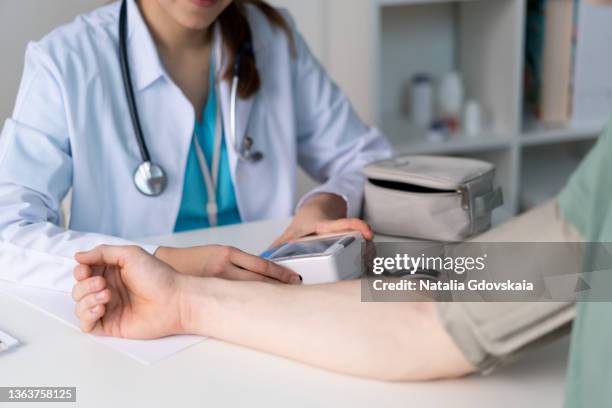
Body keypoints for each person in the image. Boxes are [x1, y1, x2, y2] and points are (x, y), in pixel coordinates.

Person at [0, 0, 391, 291]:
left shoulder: (272, 36)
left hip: (272, 293)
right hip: (144, 304)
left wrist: (324, 203)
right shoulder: (65, 60)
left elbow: (368, 159)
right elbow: (9, 233)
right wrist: (164, 262)